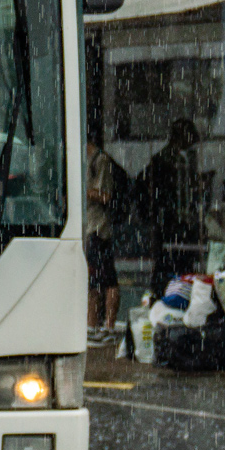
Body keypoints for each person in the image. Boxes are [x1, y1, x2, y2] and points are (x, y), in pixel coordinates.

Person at [136, 117, 205, 298]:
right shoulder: (166, 161)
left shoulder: (179, 158)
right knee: (170, 264)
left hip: (174, 223)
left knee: (175, 263)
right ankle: (168, 295)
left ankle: (171, 293)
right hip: (170, 224)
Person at [85, 134, 121, 346]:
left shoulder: (100, 160)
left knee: (106, 278)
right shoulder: (84, 161)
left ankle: (108, 326)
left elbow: (105, 195)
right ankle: (92, 326)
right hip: (88, 227)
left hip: (99, 227)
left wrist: (85, 192)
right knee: (92, 279)